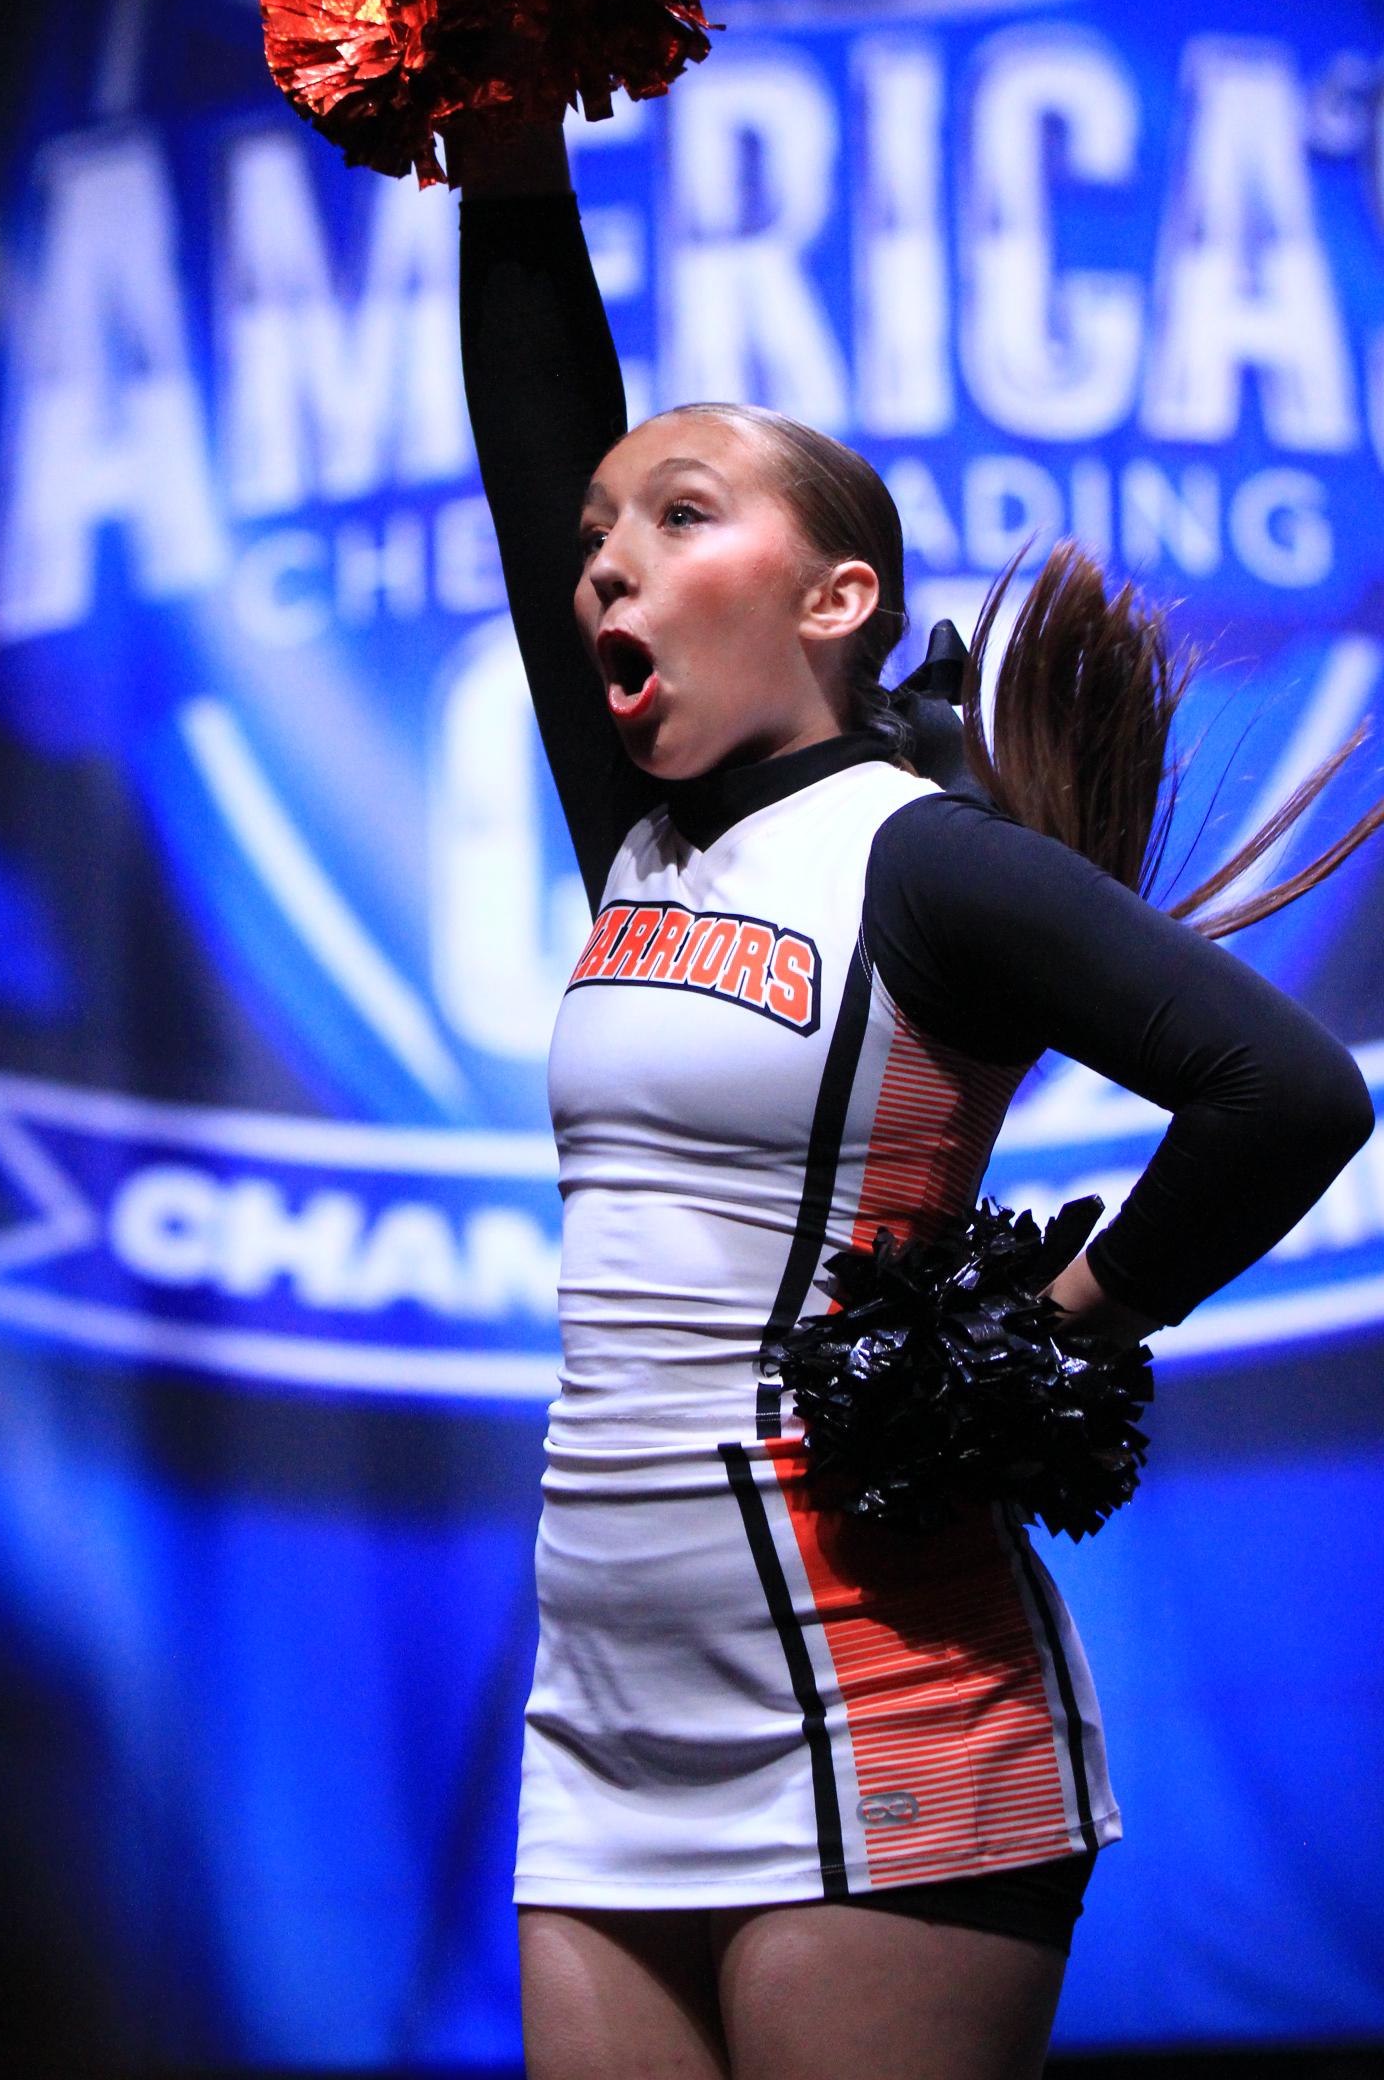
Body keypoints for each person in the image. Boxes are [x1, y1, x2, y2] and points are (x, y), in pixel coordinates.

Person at [444, 104, 1376, 2080]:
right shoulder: (644, 834)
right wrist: (508, 151)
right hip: (605, 1720)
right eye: (594, 549)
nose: (606, 567)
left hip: (883, 1710)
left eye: (679, 518)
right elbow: (539, 443)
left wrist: (1056, 1336)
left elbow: (1284, 1091)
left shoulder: (919, 860)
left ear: (839, 595)